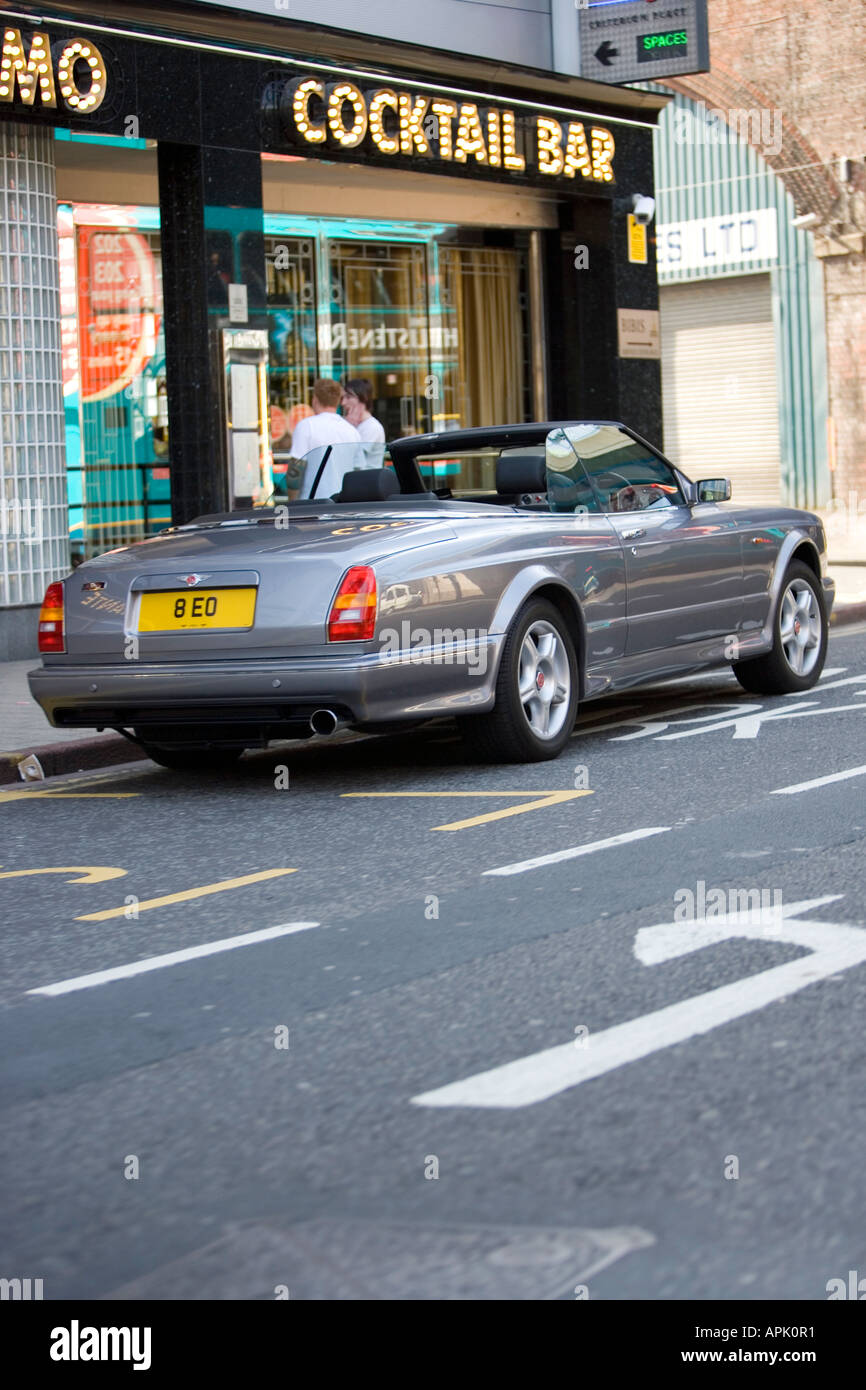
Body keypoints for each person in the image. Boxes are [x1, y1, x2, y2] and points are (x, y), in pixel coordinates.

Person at [289, 379, 363, 499]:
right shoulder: (352, 431)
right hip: (343, 504)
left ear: (315, 399)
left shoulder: (306, 426)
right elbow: (359, 471)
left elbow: (295, 470)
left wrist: (291, 502)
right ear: (338, 401)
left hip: (312, 505)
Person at [341, 378, 386, 466]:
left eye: (348, 397)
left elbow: (355, 458)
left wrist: (348, 428)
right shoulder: (353, 424)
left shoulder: (372, 427)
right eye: (343, 397)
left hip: (366, 478)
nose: (343, 402)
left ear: (362, 398)